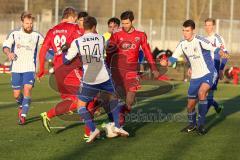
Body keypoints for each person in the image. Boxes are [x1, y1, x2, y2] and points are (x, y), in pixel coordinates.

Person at [64, 16, 129, 143]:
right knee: (114, 99)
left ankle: (93, 130)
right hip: (104, 75)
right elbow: (108, 48)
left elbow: (66, 61)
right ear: (94, 27)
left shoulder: (77, 41)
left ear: (83, 27)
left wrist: (64, 51)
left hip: (90, 78)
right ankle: (117, 126)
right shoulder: (101, 38)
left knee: (81, 106)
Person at [37, 8, 97, 140]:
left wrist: (41, 69)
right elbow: (88, 36)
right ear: (71, 17)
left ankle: (89, 131)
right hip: (70, 69)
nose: (78, 22)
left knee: (76, 100)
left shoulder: (52, 31)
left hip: (59, 71)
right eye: (77, 20)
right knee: (86, 98)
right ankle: (88, 131)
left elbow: (43, 51)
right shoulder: (74, 28)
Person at [160, 20, 229, 135]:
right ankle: (192, 125)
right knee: (190, 105)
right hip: (195, 77)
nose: (185, 33)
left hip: (209, 73)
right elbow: (173, 59)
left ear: (193, 31)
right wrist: (166, 62)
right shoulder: (182, 44)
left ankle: (201, 125)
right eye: (183, 30)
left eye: (187, 31)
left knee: (202, 93)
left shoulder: (200, 40)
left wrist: (222, 53)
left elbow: (215, 48)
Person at [106, 10, 159, 128]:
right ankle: (116, 122)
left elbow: (147, 52)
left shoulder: (140, 35)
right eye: (123, 23)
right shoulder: (116, 35)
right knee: (115, 98)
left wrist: (154, 68)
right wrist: (107, 66)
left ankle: (119, 119)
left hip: (132, 71)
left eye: (127, 23)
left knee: (130, 101)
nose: (124, 26)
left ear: (132, 21)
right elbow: (109, 52)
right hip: (117, 71)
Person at [3, 11, 44, 125]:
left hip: (30, 68)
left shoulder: (37, 35)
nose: (29, 25)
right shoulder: (14, 33)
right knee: (16, 94)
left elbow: (47, 45)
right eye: (27, 23)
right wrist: (9, 53)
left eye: (31, 23)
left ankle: (23, 115)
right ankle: (21, 105)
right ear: (22, 22)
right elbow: (6, 46)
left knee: (27, 89)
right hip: (16, 68)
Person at [204, 18, 228, 113]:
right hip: (204, 70)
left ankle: (200, 119)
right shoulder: (204, 39)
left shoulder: (218, 38)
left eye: (210, 25)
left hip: (214, 69)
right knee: (202, 94)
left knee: (208, 95)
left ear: (213, 26)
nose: (208, 27)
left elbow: (225, 54)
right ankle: (217, 107)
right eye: (206, 25)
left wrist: (221, 69)